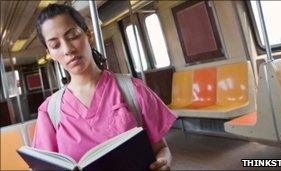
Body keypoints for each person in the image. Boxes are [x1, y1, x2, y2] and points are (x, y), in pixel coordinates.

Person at [32, 3, 177, 170]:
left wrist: (163, 163)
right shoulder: (50, 112)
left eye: (72, 36)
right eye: (55, 45)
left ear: (88, 35)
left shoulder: (132, 90)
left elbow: (161, 149)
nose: (67, 49)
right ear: (50, 54)